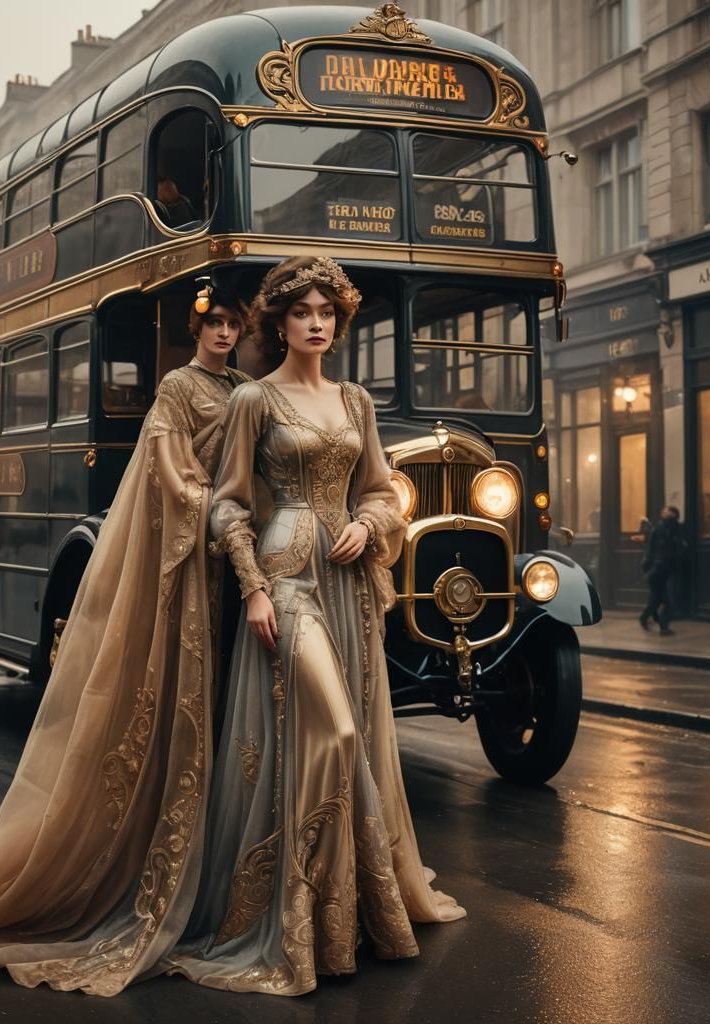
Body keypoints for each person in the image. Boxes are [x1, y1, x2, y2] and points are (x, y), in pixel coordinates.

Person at [0, 288, 252, 996]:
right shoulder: (178, 388)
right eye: (212, 323)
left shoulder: (245, 390)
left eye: (232, 325)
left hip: (234, 556)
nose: (222, 333)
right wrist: (223, 516)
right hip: (203, 546)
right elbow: (170, 472)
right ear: (197, 330)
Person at [165, 256, 464, 996]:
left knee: (349, 732)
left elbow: (383, 491)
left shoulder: (356, 401)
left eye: (328, 312)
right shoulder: (254, 402)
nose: (317, 323)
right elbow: (229, 502)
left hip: (348, 583)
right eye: (302, 312)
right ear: (280, 323)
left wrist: (370, 520)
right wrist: (255, 589)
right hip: (287, 578)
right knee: (332, 729)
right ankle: (288, 920)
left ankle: (344, 921)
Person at [640, 505, 686, 636]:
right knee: (665, 600)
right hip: (659, 569)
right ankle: (663, 626)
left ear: (673, 514)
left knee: (660, 599)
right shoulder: (661, 529)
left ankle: (646, 619)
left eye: (667, 511)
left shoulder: (672, 528)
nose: (664, 512)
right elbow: (654, 550)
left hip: (664, 569)